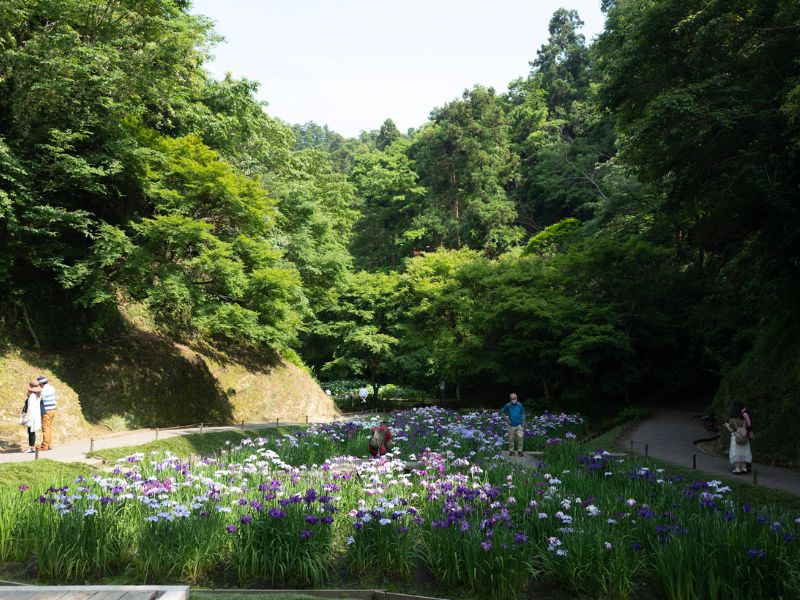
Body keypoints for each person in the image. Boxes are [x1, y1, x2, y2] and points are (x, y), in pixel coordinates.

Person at [724, 405, 752, 474]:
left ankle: (737, 468)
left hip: (736, 438)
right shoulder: (743, 419)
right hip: (744, 438)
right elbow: (748, 427)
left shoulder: (732, 420)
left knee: (736, 452)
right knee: (743, 452)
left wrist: (727, 426)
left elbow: (731, 430)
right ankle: (743, 467)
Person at [20, 380, 43, 454]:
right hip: (35, 415)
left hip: (31, 416)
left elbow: (30, 407)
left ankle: (31, 448)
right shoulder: (38, 395)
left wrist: (26, 416)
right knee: (32, 432)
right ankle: (32, 447)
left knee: (31, 432)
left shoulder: (32, 396)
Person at [36, 375, 56, 451]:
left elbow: (41, 399)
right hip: (53, 410)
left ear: (41, 383)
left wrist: (38, 395)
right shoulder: (52, 388)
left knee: (45, 428)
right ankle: (50, 444)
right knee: (50, 428)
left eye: (39, 384)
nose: (39, 386)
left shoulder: (44, 390)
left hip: (46, 411)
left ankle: (45, 446)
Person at [733, 401, 754, 472]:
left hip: (746, 434)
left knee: (746, 450)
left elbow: (749, 424)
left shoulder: (744, 413)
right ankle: (745, 466)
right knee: (745, 450)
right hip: (745, 433)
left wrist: (745, 433)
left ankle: (747, 466)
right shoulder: (744, 412)